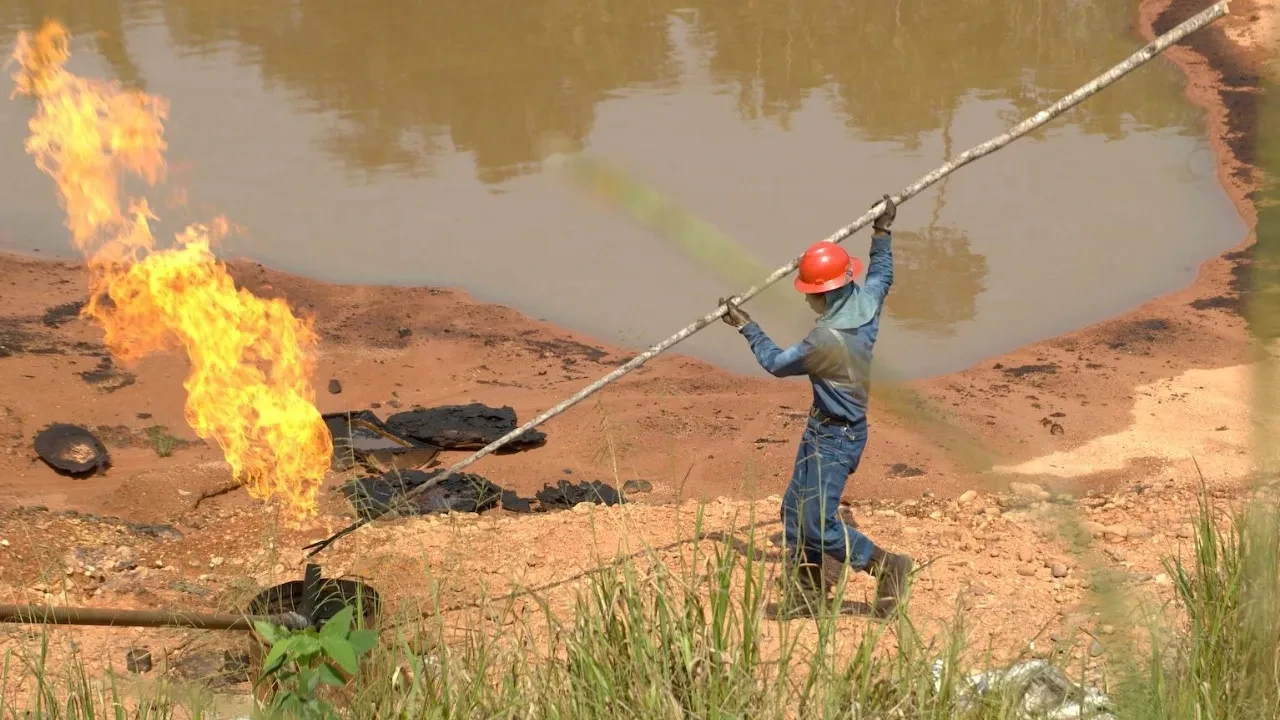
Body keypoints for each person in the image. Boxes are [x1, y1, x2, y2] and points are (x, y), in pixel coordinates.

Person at [719, 194, 913, 619]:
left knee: (817, 524)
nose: (806, 300)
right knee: (793, 510)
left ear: (824, 295)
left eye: (810, 293)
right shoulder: (866, 304)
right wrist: (883, 231)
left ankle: (887, 566)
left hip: (836, 437)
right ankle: (806, 595)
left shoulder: (824, 341)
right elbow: (882, 273)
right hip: (824, 428)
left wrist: (747, 327)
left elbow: (774, 364)